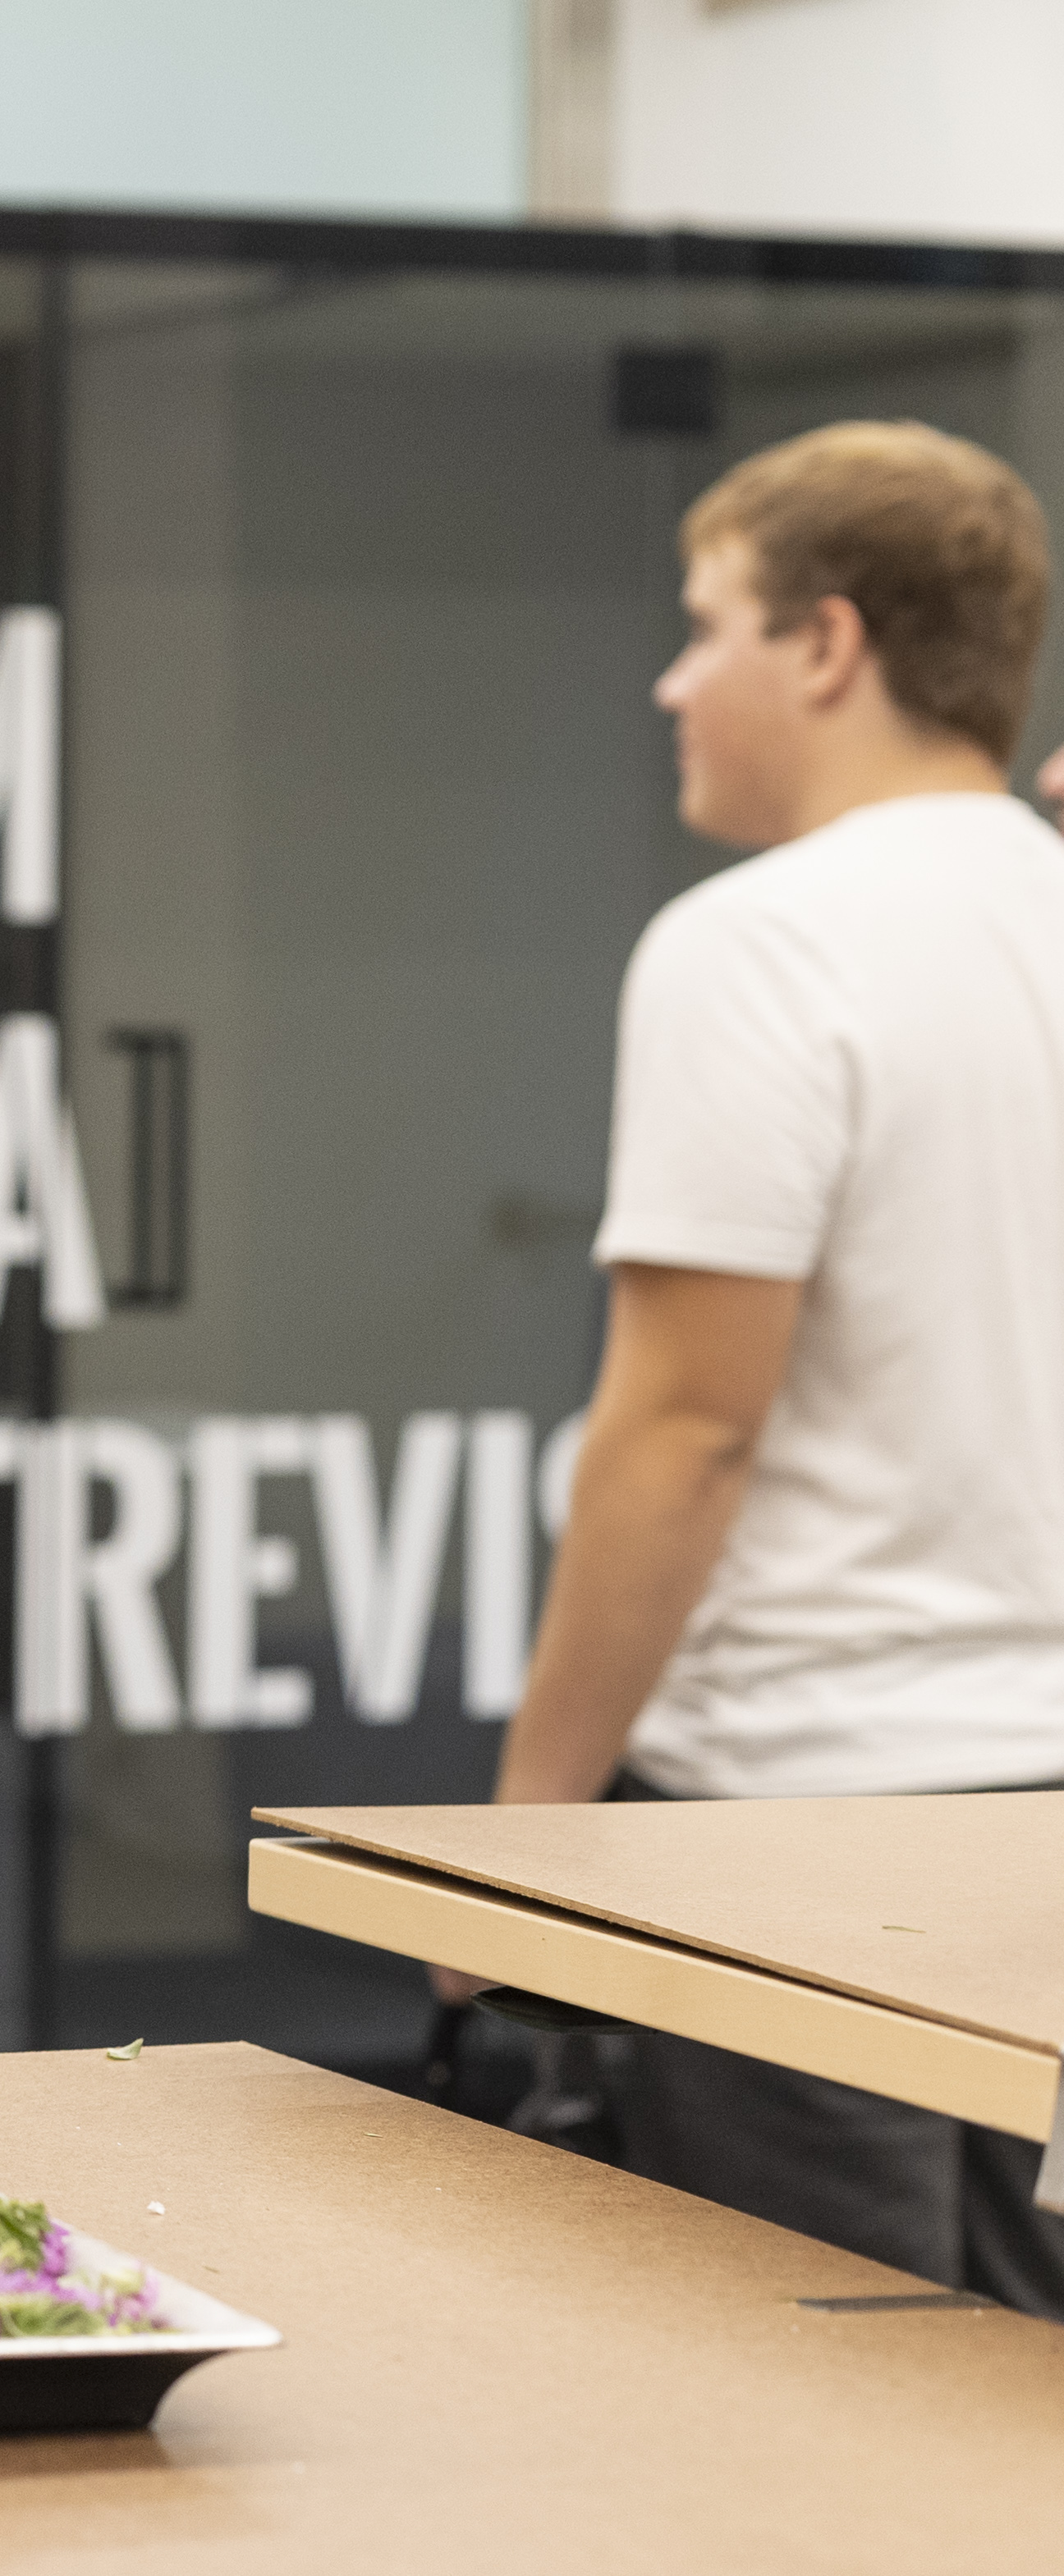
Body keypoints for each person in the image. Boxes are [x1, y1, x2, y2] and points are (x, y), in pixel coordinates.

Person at [468, 420, 1064, 2310]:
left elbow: (683, 1436)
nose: (672, 678)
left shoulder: (758, 945)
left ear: (827, 644)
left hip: (809, 1842)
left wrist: (516, 1856)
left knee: (826, 2444)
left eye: (704, 620)